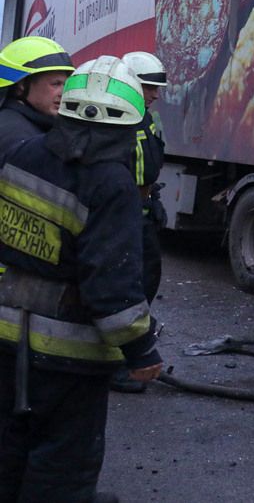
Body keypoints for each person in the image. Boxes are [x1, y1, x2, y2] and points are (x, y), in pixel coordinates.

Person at [0, 55, 162, 502]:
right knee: (63, 466)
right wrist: (141, 350)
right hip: (69, 358)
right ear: (131, 123)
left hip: (6, 339)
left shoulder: (20, 155)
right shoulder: (112, 184)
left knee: (10, 448)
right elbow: (111, 289)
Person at [110, 51, 169, 393]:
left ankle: (130, 352)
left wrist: (153, 200)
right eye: (149, 87)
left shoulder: (149, 119)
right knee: (122, 290)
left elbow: (148, 165)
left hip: (142, 215)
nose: (155, 95)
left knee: (147, 280)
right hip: (120, 218)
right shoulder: (113, 121)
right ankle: (117, 363)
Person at [0, 37, 76, 284]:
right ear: (21, 86)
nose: (64, 93)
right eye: (55, 83)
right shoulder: (16, 135)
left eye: (67, 83)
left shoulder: (31, 126)